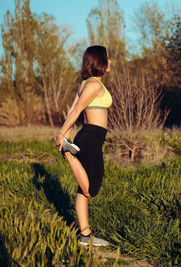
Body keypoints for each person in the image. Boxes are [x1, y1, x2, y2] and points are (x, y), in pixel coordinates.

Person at [54, 45, 112, 246]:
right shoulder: (94, 85)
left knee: (82, 189)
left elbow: (72, 108)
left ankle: (85, 235)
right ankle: (69, 154)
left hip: (90, 137)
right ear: (99, 62)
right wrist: (62, 134)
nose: (110, 62)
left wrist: (67, 133)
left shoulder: (87, 84)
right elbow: (77, 109)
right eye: (107, 58)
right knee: (91, 189)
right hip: (90, 138)